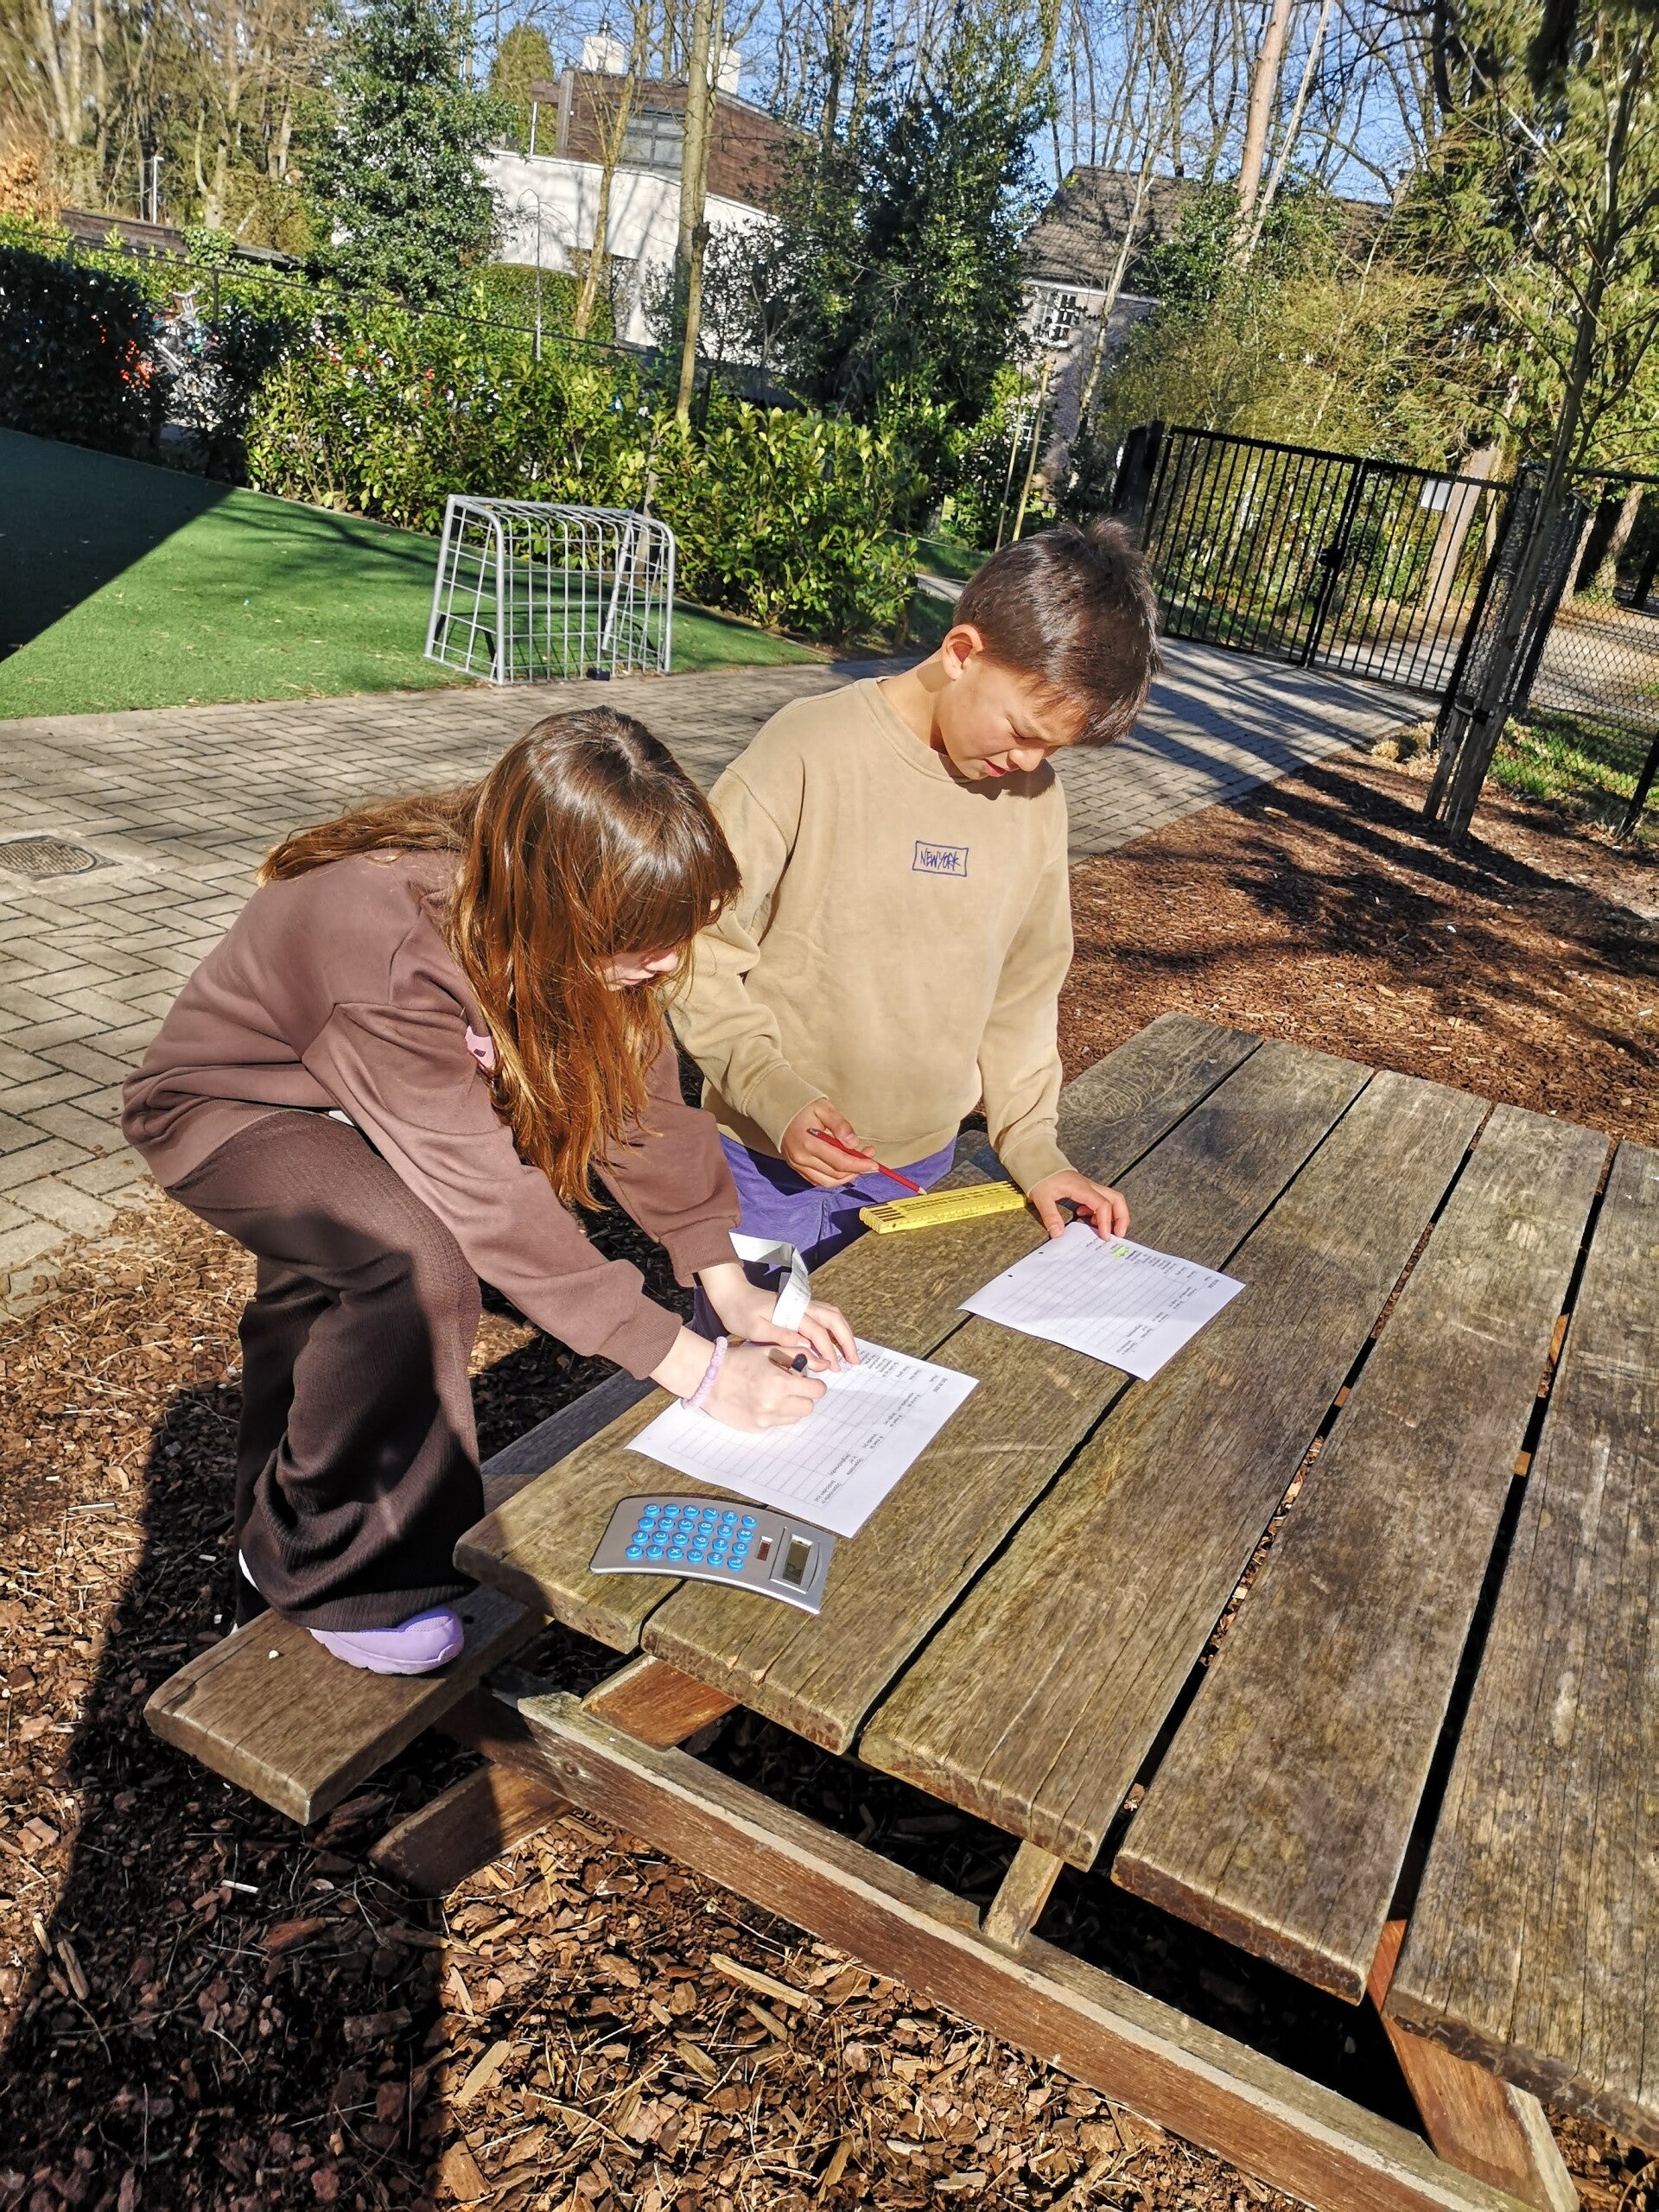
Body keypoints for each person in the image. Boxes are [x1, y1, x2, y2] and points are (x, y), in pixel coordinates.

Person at [122, 711, 854, 1678]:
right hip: (230, 1108)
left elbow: (641, 1105)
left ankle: (279, 1526)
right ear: (548, 899)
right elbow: (492, 1204)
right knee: (409, 1267)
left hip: (368, 1099)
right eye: (643, 943)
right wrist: (701, 1374)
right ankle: (344, 1574)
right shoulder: (382, 939)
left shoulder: (581, 919)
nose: (671, 962)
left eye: (679, 934)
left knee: (337, 1297)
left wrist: (729, 1285)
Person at [671, 521, 1160, 1300]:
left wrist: (1035, 1150)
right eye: (1023, 732)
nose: (1030, 762)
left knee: (883, 1354)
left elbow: (1024, 993)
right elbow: (695, 944)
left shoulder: (1035, 801)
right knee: (755, 1355)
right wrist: (772, 1092)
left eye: (1054, 750)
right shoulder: (807, 748)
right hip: (763, 1164)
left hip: (923, 1169)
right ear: (962, 652)